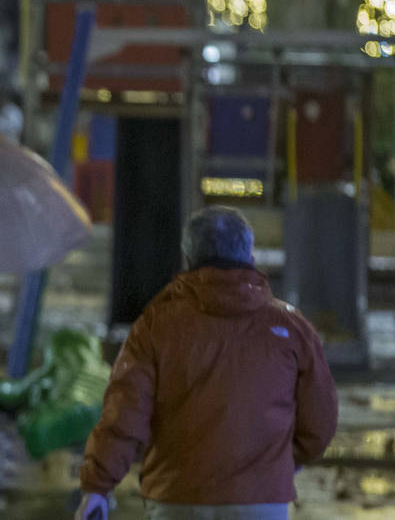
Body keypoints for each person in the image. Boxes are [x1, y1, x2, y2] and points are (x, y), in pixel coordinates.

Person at [74, 206, 339, 520]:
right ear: (249, 256)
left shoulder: (156, 325)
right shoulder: (291, 328)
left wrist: (97, 488)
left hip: (177, 498)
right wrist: (279, 465)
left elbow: (123, 414)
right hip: (261, 501)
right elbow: (321, 420)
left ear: (189, 258)